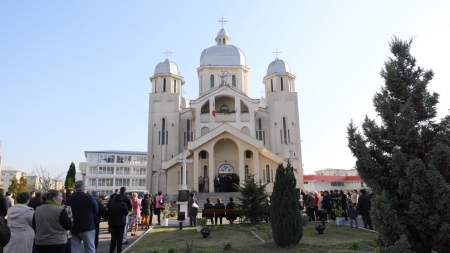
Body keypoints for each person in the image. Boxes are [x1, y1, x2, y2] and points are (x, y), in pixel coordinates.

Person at [64, 180, 98, 253]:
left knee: (74, 248)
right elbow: (96, 209)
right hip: (87, 226)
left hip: (73, 227)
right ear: (83, 187)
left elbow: (66, 212)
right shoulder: (89, 198)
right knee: (90, 248)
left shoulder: (68, 199)